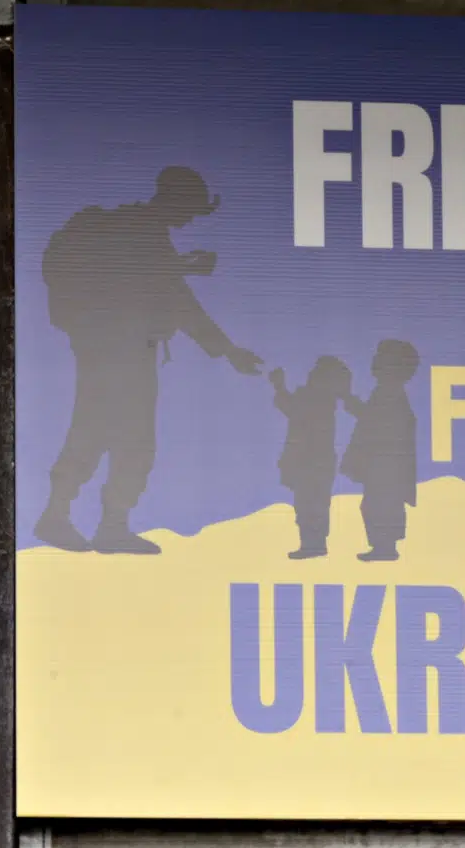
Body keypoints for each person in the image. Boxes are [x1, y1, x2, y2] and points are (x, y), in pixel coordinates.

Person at [34, 166, 264, 554]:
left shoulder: (146, 233)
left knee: (122, 436)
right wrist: (186, 271)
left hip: (126, 350)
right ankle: (63, 518)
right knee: (101, 431)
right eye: (190, 209)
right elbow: (164, 291)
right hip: (115, 350)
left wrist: (226, 349)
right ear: (173, 200)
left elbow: (171, 294)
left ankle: (105, 525)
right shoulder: (136, 229)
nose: (191, 218)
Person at [340, 339, 420, 562]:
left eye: (381, 357)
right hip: (383, 466)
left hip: (386, 467)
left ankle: (385, 547)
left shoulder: (390, 392)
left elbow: (376, 421)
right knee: (375, 504)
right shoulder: (386, 391)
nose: (375, 361)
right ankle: (382, 546)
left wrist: (350, 401)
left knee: (380, 504)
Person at [270, 356, 353, 559]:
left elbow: (291, 408)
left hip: (313, 464)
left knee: (311, 504)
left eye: (316, 372)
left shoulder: (318, 400)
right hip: (315, 463)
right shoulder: (320, 400)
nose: (310, 374)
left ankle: (313, 545)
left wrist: (279, 386)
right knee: (310, 503)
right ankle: (312, 543)